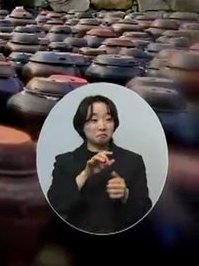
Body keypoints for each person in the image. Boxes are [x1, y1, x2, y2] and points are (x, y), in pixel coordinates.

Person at [46, 94, 152, 234]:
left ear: (114, 124)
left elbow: (145, 213)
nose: (102, 126)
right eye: (94, 120)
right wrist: (85, 174)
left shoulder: (133, 161)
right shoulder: (64, 162)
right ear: (81, 125)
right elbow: (55, 207)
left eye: (108, 119)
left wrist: (126, 194)